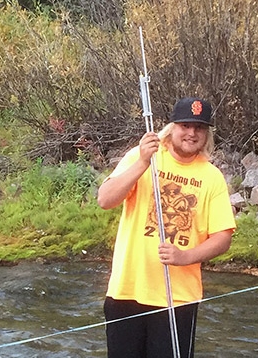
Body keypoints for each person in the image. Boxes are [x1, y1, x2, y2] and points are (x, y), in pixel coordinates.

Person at [97, 97, 236, 358]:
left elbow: (223, 237)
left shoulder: (212, 177)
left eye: (199, 128)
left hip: (178, 299)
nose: (191, 133)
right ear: (172, 127)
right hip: (126, 291)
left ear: (207, 134)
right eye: (185, 125)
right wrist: (141, 163)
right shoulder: (142, 156)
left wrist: (185, 257)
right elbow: (105, 199)